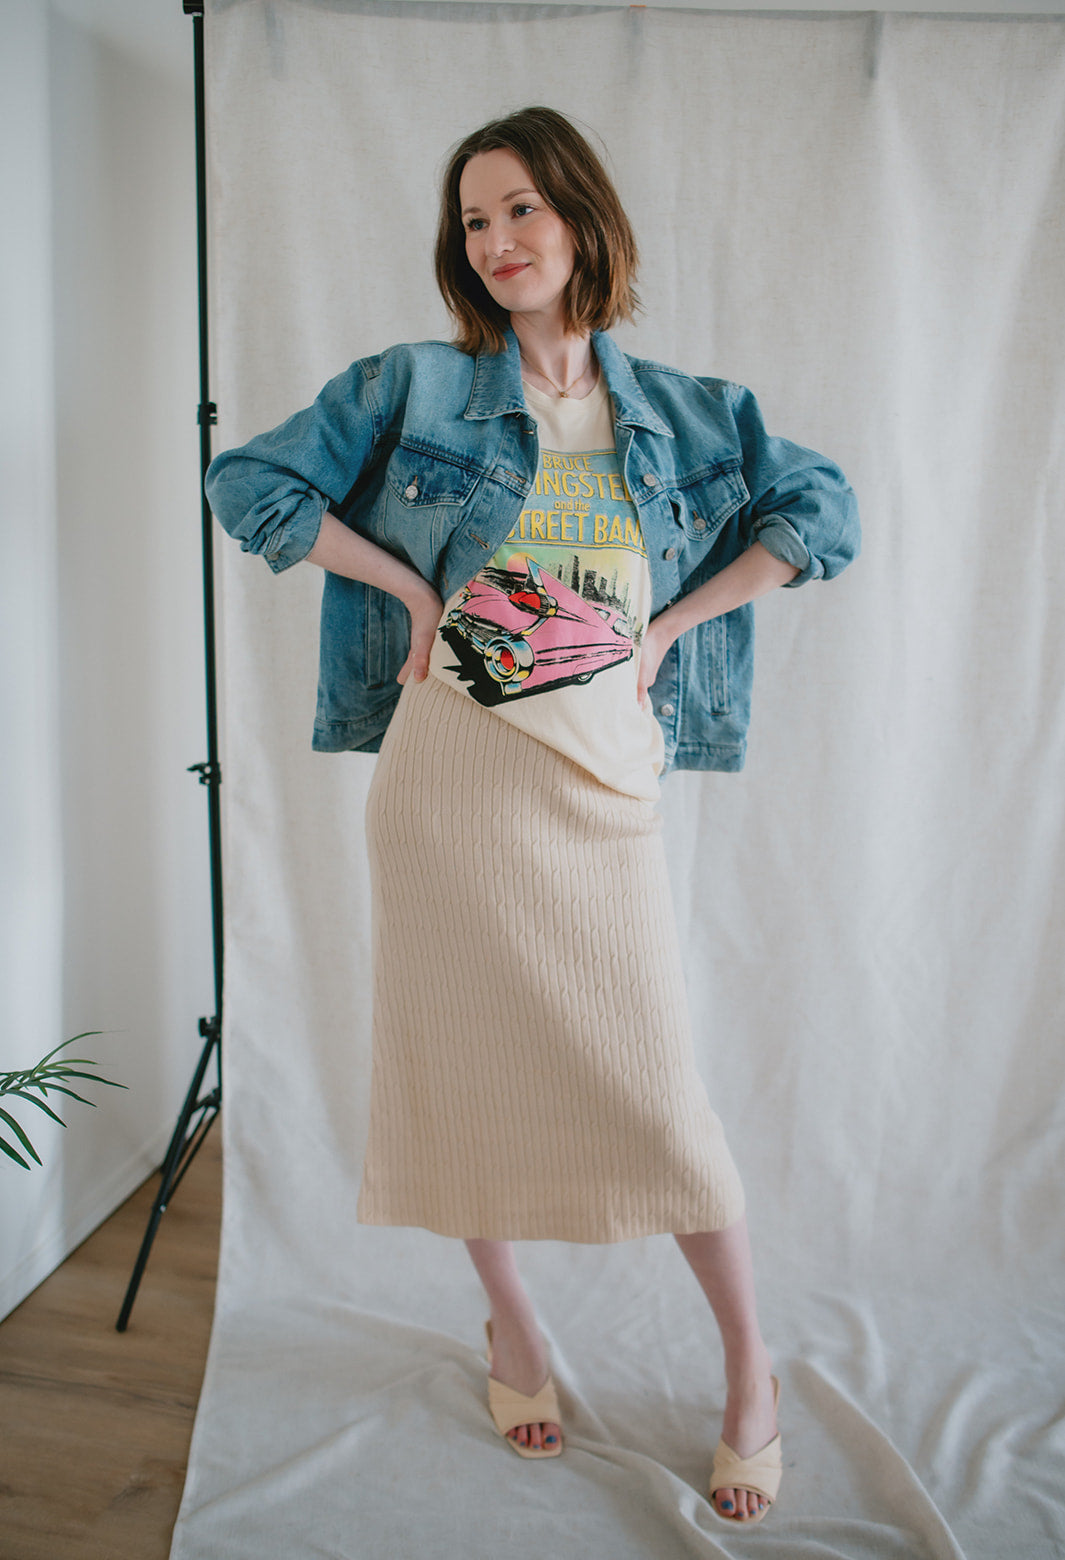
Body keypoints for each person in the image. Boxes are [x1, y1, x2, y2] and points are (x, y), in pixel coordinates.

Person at [205, 106, 859, 1525]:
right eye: (473, 220)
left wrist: (671, 626)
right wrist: (408, 588)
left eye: (520, 209)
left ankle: (748, 1369)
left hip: (602, 784)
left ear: (579, 216)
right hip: (448, 781)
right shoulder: (418, 387)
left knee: (658, 1100)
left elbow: (822, 511)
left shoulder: (687, 410)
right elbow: (246, 481)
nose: (496, 240)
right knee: (460, 1080)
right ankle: (512, 1324)